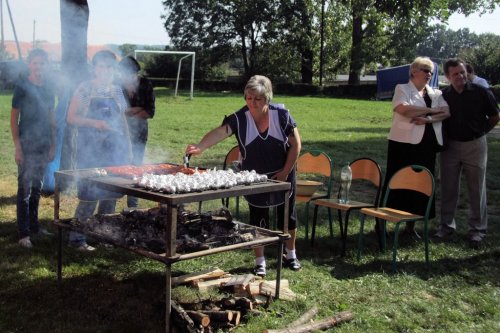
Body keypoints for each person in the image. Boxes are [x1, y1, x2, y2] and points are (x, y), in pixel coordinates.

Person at [185, 75, 302, 277]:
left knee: (288, 215)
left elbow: (296, 145)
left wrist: (284, 172)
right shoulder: (240, 118)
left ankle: (290, 253)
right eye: (248, 97)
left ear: (267, 99)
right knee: (258, 218)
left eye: (257, 98)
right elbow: (221, 132)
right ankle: (260, 260)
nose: (252, 103)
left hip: (283, 171)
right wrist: (201, 147)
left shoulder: (281, 115)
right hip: (254, 176)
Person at [66, 50, 131, 251]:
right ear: (94, 68)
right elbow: (71, 118)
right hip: (89, 149)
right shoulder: (84, 89)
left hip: (113, 149)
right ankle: (77, 239)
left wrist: (128, 148)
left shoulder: (117, 91)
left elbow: (123, 120)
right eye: (101, 66)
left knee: (110, 195)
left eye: (109, 66)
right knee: (89, 195)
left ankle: (104, 237)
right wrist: (96, 123)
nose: (105, 70)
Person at [435, 58, 499, 247]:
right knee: (448, 187)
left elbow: (495, 117)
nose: (460, 76)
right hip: (451, 147)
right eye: (455, 74)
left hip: (475, 145)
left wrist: (480, 134)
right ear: (447, 77)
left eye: (462, 72)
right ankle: (446, 226)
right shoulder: (444, 95)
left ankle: (477, 230)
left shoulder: (481, 93)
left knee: (476, 188)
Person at [383, 56, 450, 237]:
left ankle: (411, 227)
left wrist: (428, 118)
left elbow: (446, 112)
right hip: (403, 143)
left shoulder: (435, 93)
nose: (429, 74)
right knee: (398, 181)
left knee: (421, 183)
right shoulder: (402, 89)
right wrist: (431, 110)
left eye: (431, 71)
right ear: (414, 71)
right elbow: (403, 109)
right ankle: (386, 221)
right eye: (425, 70)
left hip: (426, 146)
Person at [10, 49, 56, 248]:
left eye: (42, 63)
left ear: (46, 65)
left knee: (37, 187)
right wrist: (18, 147)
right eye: (35, 63)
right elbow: (13, 119)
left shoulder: (48, 87)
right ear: (30, 64)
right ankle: (23, 234)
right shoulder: (22, 86)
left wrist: (53, 144)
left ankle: (35, 226)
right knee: (25, 189)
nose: (39, 67)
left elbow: (51, 117)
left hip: (43, 143)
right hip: (27, 143)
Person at [118, 56, 156, 208]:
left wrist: (128, 112)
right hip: (120, 132)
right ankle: (113, 198)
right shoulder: (117, 85)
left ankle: (132, 205)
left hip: (140, 132)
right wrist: (138, 109)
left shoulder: (146, 85)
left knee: (136, 166)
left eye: (131, 74)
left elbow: (150, 112)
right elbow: (117, 112)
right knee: (119, 164)